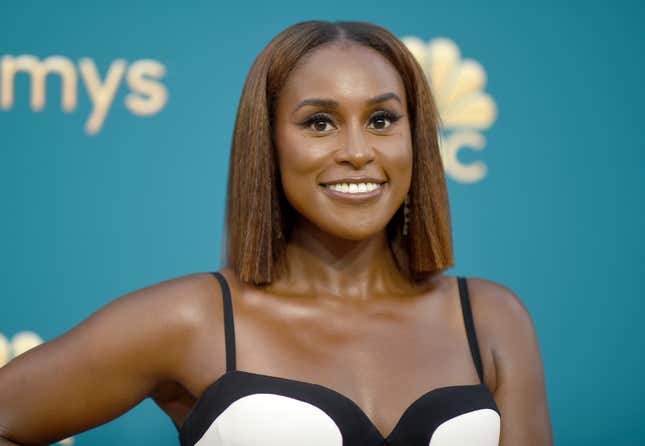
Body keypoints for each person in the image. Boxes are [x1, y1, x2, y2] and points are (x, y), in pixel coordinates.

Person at [0, 20, 553, 446]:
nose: (358, 151)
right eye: (319, 122)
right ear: (268, 144)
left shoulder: (492, 318)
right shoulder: (193, 319)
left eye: (382, 120)